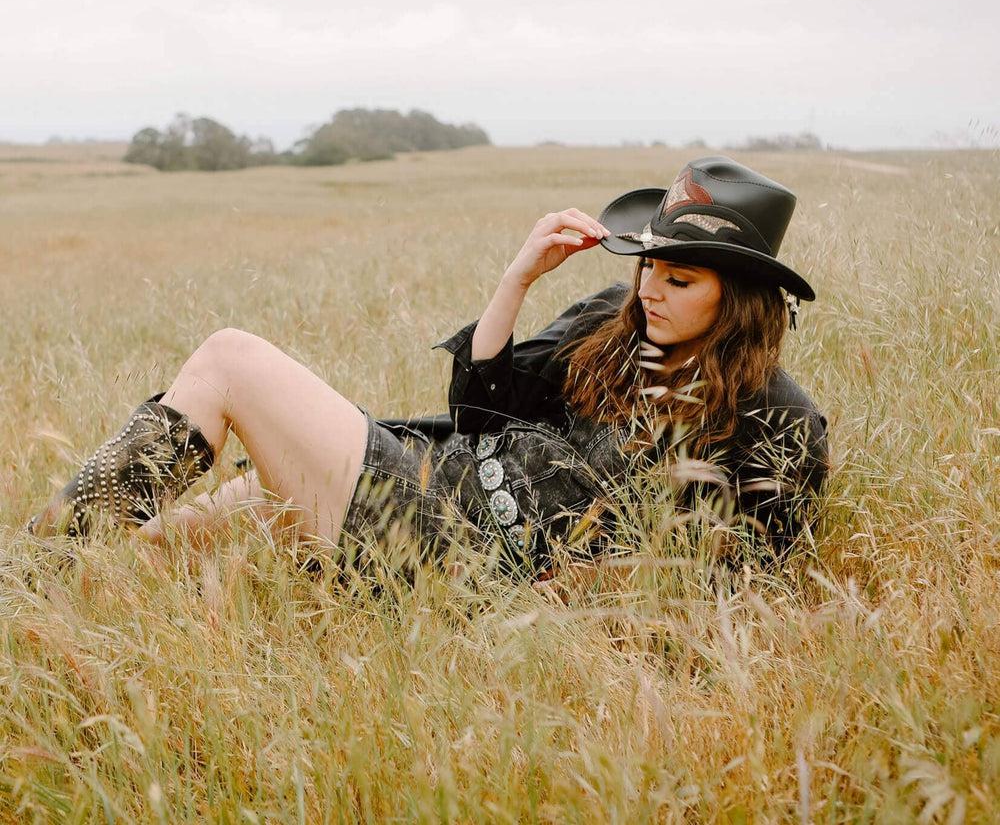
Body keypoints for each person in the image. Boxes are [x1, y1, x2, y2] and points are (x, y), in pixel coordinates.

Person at [25, 156, 829, 579]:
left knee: (232, 359)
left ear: (742, 298)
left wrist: (559, 596)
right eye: (646, 267)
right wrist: (515, 281)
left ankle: (30, 563)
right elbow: (483, 417)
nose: (650, 288)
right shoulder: (610, 324)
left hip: (451, 547)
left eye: (679, 279)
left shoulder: (777, 418)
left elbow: (752, 577)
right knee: (170, 541)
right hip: (428, 475)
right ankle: (43, 580)